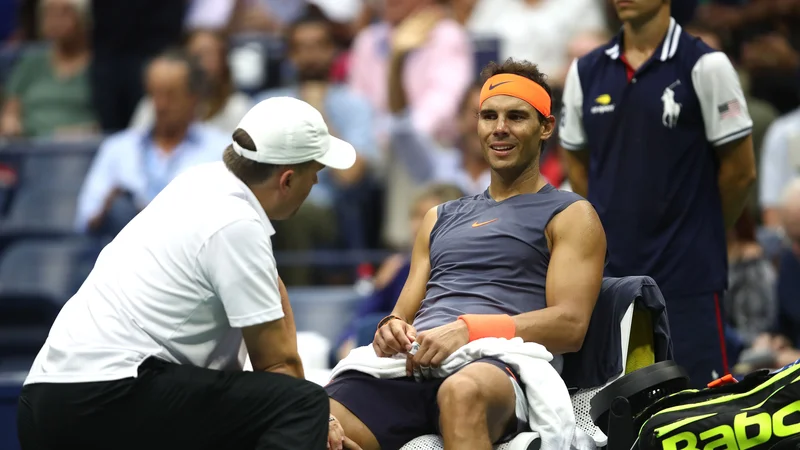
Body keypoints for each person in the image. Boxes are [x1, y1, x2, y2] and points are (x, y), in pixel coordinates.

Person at [17, 97, 357, 450]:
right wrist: (321, 421)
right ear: (286, 180)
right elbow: (278, 364)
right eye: (314, 174)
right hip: (105, 397)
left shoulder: (197, 182)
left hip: (43, 402)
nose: (316, 183)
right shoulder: (237, 223)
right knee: (301, 403)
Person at [326, 59, 608, 450]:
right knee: (316, 419)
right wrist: (390, 328)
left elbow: (570, 326)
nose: (500, 129)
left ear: (546, 127)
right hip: (414, 364)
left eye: (516, 117)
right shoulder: (438, 216)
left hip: (497, 363)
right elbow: (401, 314)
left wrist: (469, 330)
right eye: (489, 116)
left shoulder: (572, 213)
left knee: (461, 394)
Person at [560, 0, 757, 388]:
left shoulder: (706, 65)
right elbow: (578, 166)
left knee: (700, 414)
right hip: (611, 281)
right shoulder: (585, 70)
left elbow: (741, 173)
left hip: (689, 279)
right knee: (614, 423)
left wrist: (701, 229)